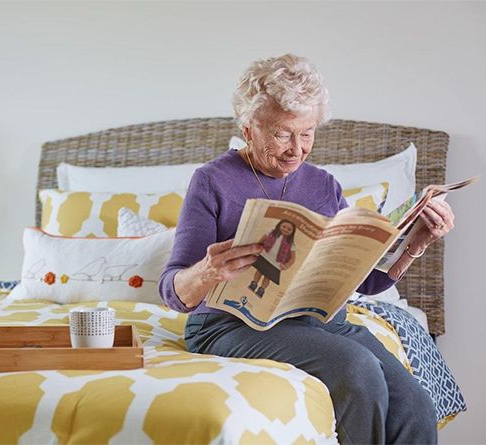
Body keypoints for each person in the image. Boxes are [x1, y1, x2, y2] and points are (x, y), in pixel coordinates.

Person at [158, 54, 456, 444]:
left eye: (307, 133)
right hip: (228, 325)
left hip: (318, 323)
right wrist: (208, 271)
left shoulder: (323, 184)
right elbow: (172, 292)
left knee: (415, 403)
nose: (296, 149)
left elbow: (365, 283)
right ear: (248, 130)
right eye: (283, 133)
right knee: (356, 367)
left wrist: (413, 247)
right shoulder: (212, 181)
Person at [249, 219, 297, 297]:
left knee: (268, 277)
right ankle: (254, 283)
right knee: (259, 271)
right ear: (279, 225)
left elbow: (293, 258)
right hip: (264, 256)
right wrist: (257, 249)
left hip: (276, 264)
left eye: (289, 229)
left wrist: (286, 266)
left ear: (292, 232)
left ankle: (262, 289)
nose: (285, 229)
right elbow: (262, 240)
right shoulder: (271, 233)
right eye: (284, 226)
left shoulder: (291, 244)